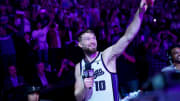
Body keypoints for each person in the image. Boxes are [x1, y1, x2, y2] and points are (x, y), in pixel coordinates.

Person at [74, 0, 155, 101]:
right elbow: (78, 97)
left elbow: (128, 36)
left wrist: (140, 12)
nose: (92, 41)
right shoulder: (79, 66)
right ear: (80, 44)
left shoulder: (106, 56)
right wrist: (84, 87)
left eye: (93, 38)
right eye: (87, 39)